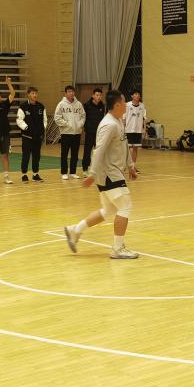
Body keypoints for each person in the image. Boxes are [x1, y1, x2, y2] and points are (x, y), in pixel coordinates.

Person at [63, 89, 139, 260]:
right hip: (109, 173)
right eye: (124, 102)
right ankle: (117, 249)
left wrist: (130, 165)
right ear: (117, 104)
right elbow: (99, 150)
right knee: (125, 206)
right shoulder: (108, 124)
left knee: (109, 209)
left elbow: (124, 145)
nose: (126, 105)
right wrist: (92, 174)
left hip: (113, 172)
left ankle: (75, 230)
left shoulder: (118, 121)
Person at [53, 85, 85, 179]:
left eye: (72, 91)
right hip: (66, 133)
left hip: (77, 133)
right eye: (69, 92)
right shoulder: (61, 104)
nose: (71, 93)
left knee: (75, 154)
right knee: (64, 154)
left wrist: (80, 124)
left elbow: (83, 116)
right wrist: (67, 124)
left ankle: (73, 172)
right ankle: (64, 172)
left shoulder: (78, 104)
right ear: (65, 93)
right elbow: (57, 118)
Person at [16, 86, 47, 182]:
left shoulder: (41, 106)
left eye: (36, 93)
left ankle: (35, 174)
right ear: (28, 95)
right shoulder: (23, 107)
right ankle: (24, 175)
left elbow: (45, 119)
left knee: (36, 156)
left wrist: (42, 129)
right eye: (33, 93)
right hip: (27, 137)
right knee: (26, 156)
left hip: (38, 137)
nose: (35, 95)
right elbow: (19, 120)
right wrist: (27, 128)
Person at [81, 88, 106, 177]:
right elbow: (83, 118)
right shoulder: (87, 105)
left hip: (99, 133)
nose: (99, 97)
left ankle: (98, 168)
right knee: (87, 151)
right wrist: (86, 127)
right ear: (93, 96)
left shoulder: (102, 106)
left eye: (100, 95)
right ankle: (85, 169)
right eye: (97, 95)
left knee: (99, 151)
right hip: (89, 132)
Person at [123, 90, 146, 171]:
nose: (137, 95)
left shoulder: (142, 105)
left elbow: (144, 119)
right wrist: (122, 129)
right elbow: (124, 118)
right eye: (135, 94)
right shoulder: (127, 105)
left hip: (138, 130)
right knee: (127, 149)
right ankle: (124, 165)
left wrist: (144, 130)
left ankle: (133, 166)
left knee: (135, 148)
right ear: (132, 96)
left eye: (138, 94)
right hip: (128, 130)